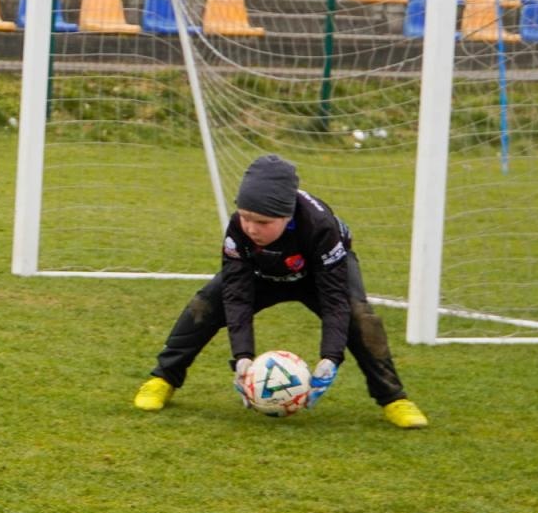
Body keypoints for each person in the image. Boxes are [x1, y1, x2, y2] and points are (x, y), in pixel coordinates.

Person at [132, 155, 429, 429]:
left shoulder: (321, 227)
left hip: (318, 276)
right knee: (204, 305)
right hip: (263, 274)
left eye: (262, 222)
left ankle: (394, 398)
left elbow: (335, 300)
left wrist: (330, 358)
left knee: (360, 318)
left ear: (287, 216)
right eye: (245, 216)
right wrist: (243, 357)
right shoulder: (238, 228)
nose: (250, 227)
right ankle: (163, 378)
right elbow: (236, 294)